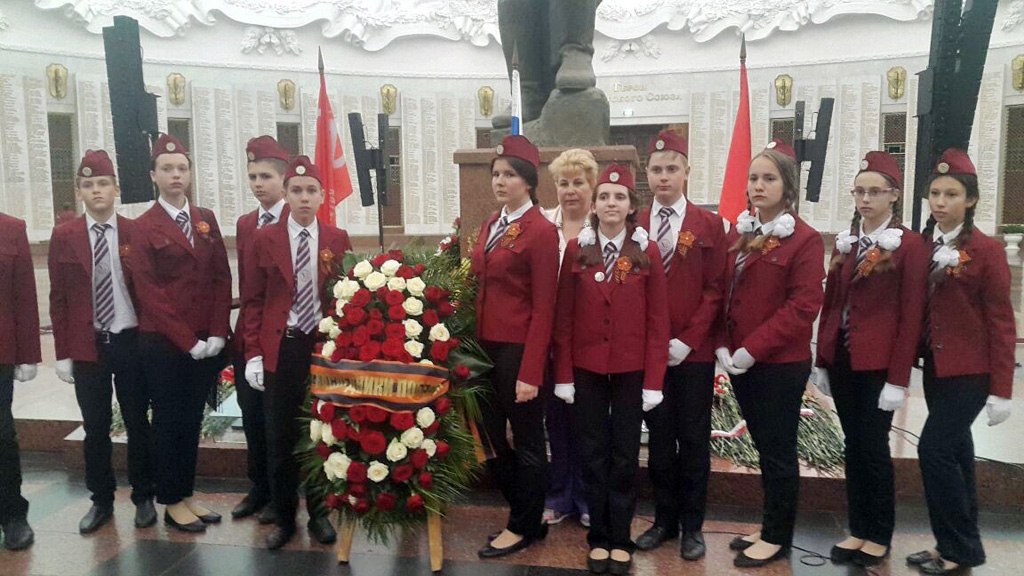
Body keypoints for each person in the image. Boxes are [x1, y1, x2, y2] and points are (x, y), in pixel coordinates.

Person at [552, 164, 668, 575]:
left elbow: (658, 322)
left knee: (624, 455)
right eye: (604, 196)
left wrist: (653, 381)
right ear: (594, 204)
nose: (611, 203)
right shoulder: (578, 249)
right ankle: (598, 537)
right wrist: (563, 375)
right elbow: (564, 318)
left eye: (619, 197)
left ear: (632, 205)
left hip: (629, 370)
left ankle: (620, 537)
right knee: (592, 453)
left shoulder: (646, 251)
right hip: (586, 369)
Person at [904, 149, 1014, 576]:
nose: (940, 202)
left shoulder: (986, 250)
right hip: (936, 367)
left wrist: (1001, 390)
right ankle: (959, 545)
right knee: (958, 454)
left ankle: (955, 548)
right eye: (935, 193)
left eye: (951, 194)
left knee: (933, 451)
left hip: (971, 372)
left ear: (970, 200)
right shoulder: (923, 245)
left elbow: (1001, 322)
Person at [814, 151, 926, 567]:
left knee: (873, 446)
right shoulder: (848, 241)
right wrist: (822, 358)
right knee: (853, 444)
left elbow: (911, 316)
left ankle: (879, 533)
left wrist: (898, 378)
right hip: (844, 359)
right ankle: (858, 528)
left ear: (894, 195)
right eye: (859, 191)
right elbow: (832, 303)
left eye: (874, 192)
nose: (865, 199)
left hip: (879, 365)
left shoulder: (909, 246)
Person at [717, 140, 824, 568]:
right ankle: (768, 524)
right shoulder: (742, 232)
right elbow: (726, 292)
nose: (758, 186)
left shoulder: (804, 239)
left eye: (769, 178)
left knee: (778, 451)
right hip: (741, 361)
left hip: (778, 365)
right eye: (753, 178)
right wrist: (724, 343)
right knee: (764, 447)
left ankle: (778, 536)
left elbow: (803, 306)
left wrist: (751, 349)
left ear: (788, 186)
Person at [242, 155, 350, 550]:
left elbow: (344, 297)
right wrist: (254, 354)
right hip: (282, 347)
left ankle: (320, 513)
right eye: (296, 190)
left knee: (322, 432)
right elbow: (253, 300)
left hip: (320, 348)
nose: (304, 197)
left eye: (311, 191)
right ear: (285, 195)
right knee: (281, 437)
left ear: (322, 196)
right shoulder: (264, 239)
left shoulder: (336, 238)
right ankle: (285, 517)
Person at [48, 149, 157, 534]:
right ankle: (101, 500)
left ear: (116, 189)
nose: (96, 190)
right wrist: (63, 352)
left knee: (137, 421)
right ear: (79, 191)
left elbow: (150, 290)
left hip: (130, 341)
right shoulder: (65, 236)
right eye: (89, 184)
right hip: (88, 344)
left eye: (103, 183)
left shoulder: (135, 231)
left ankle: (143, 495)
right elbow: (59, 297)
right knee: (95, 427)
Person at [634, 130, 728, 561]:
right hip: (648, 354)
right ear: (646, 174)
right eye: (656, 169)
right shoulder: (635, 222)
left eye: (672, 168)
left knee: (692, 441)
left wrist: (687, 341)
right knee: (658, 440)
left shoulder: (709, 225)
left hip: (695, 354)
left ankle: (692, 526)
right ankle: (663, 521)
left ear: (687, 172)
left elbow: (716, 289)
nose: (664, 177)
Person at [132, 134, 232, 533]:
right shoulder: (142, 227)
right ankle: (171, 501)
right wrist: (187, 341)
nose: (175, 175)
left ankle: (186, 493)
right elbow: (149, 293)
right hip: (164, 343)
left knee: (192, 420)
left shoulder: (205, 218)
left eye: (182, 168)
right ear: (153, 175)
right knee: (169, 421)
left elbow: (222, 277)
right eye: (167, 169)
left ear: (189, 174)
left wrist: (219, 331)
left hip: (206, 340)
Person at [470, 135, 559, 558]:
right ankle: (528, 513)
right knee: (490, 439)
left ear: (528, 181)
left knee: (526, 440)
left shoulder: (541, 231)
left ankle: (522, 525)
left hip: (518, 351)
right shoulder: (492, 224)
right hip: (484, 349)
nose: (500, 181)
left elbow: (545, 307)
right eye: (496, 174)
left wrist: (531, 371)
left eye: (509, 174)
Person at [230, 136, 290, 523]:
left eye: (265, 176)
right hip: (248, 337)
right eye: (252, 176)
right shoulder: (246, 224)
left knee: (278, 423)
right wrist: (248, 346)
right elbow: (248, 287)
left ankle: (283, 492)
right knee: (251, 416)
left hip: (283, 339)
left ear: (283, 180)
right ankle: (259, 488)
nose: (257, 184)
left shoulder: (297, 219)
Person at [541, 147, 595, 528]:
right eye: (563, 183)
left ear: (592, 186)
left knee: (589, 424)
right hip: (548, 341)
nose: (570, 190)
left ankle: (588, 497)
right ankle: (560, 495)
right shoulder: (543, 225)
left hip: (590, 341)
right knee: (556, 421)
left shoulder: (606, 225)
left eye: (578, 182)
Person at [0, 211, 41, 551]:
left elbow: (24, 295)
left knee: (1, 434)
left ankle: (13, 514)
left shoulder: (11, 229)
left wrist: (27, 354)